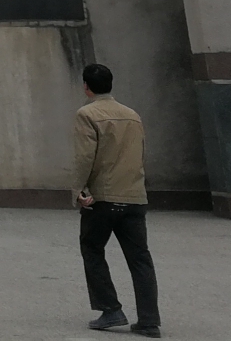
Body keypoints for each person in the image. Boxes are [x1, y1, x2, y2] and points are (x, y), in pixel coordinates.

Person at [73, 63, 160, 337]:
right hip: (134, 196)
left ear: (86, 87)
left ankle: (111, 309)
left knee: (92, 248)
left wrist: (78, 189)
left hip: (103, 197)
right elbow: (140, 153)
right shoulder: (132, 115)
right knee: (140, 258)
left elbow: (85, 156)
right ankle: (149, 320)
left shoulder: (87, 114)